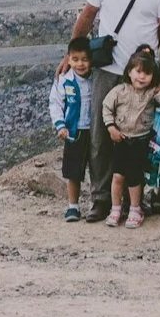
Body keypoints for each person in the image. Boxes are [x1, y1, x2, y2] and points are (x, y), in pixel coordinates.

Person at [66, 0, 160, 222]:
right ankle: (101, 199)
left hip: (142, 77)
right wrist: (71, 53)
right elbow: (87, 16)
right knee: (101, 136)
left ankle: (132, 200)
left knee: (139, 138)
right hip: (106, 69)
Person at [100, 47, 160, 228]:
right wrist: (111, 127)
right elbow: (106, 107)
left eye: (147, 73)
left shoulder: (152, 93)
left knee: (135, 177)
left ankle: (135, 209)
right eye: (138, 71)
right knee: (117, 176)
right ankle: (116, 208)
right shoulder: (119, 91)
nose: (142, 77)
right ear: (129, 71)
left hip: (140, 141)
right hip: (121, 140)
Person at [49, 37, 95, 221]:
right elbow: (56, 103)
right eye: (75, 59)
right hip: (74, 132)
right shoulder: (64, 80)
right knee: (73, 170)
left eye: (85, 59)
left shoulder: (96, 79)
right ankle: (73, 206)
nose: (80, 64)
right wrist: (60, 125)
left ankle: (97, 203)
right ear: (68, 59)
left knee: (97, 168)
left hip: (94, 130)